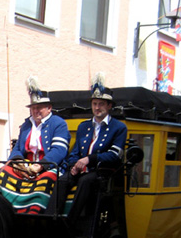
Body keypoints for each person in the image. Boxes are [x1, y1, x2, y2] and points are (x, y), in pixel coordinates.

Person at [46, 73, 127, 222]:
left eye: (101, 104)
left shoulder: (119, 127)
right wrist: (74, 165)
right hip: (81, 170)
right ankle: (51, 219)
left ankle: (73, 222)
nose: (97, 107)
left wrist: (89, 159)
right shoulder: (84, 126)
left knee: (85, 181)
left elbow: (115, 155)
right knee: (62, 180)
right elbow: (74, 152)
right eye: (94, 104)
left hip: (101, 172)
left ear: (109, 106)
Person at [7, 76, 70, 175]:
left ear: (49, 108)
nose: (35, 111)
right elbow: (18, 148)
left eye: (39, 107)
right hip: (27, 166)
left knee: (44, 182)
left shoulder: (59, 124)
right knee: (4, 172)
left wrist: (41, 165)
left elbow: (59, 150)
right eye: (33, 108)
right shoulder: (26, 125)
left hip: (49, 166)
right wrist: (18, 161)